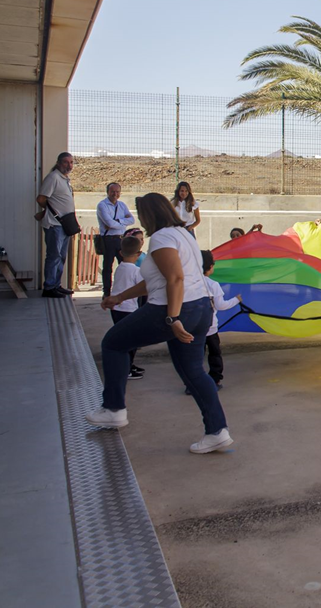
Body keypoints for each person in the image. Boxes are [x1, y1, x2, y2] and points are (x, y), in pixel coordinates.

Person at [89, 192, 232, 455]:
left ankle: (113, 409)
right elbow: (157, 279)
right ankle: (217, 431)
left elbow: (175, 279)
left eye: (141, 213)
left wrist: (173, 318)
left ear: (150, 214)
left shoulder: (162, 237)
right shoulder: (184, 235)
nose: (140, 219)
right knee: (193, 372)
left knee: (113, 343)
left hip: (175, 309)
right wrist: (120, 297)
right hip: (200, 307)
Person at [186, 250, 241, 395]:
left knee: (195, 356)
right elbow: (221, 305)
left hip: (192, 328)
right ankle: (214, 380)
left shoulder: (188, 283)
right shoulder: (213, 285)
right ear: (211, 267)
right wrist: (237, 300)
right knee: (214, 354)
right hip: (210, 328)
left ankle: (192, 383)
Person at [36, 152, 76, 299]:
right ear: (59, 163)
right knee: (54, 256)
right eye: (66, 162)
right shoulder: (53, 177)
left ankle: (56, 285)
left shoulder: (65, 179)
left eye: (71, 162)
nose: (69, 165)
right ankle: (49, 287)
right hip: (55, 224)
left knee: (61, 256)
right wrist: (49, 211)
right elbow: (41, 198)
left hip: (65, 224)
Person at [109, 236, 145, 380]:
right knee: (132, 341)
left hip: (116, 309)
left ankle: (128, 364)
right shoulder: (136, 271)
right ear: (138, 254)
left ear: (121, 253)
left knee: (124, 338)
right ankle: (126, 368)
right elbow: (144, 288)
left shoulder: (119, 268)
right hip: (128, 310)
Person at [95, 182, 135, 297]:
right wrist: (122, 221)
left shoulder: (122, 205)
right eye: (113, 192)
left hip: (120, 239)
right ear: (108, 192)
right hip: (108, 239)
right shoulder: (102, 205)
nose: (115, 194)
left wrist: (117, 222)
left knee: (124, 264)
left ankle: (123, 289)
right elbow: (108, 223)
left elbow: (131, 220)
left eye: (117, 192)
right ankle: (106, 292)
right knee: (107, 266)